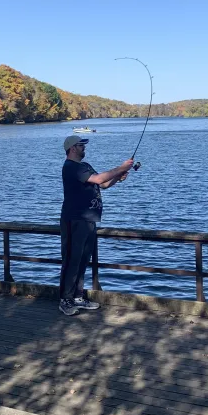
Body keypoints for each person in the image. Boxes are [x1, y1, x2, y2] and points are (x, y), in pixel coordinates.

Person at [58, 135, 134, 316]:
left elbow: (104, 184)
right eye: (81, 145)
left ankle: (78, 297)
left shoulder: (85, 166)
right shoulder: (71, 167)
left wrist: (118, 176)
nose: (84, 148)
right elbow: (99, 179)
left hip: (89, 220)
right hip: (74, 219)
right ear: (72, 148)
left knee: (83, 259)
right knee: (71, 260)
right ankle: (65, 300)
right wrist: (121, 167)